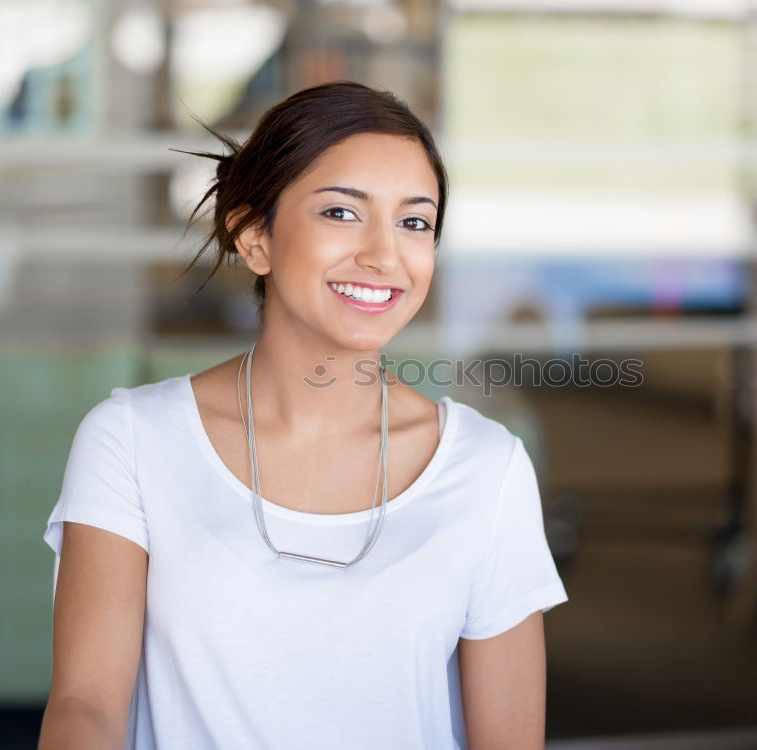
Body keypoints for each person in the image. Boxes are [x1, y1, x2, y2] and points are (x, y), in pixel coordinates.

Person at [37, 81, 569, 750]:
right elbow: (86, 708)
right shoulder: (132, 442)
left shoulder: (487, 470)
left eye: (415, 222)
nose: (384, 254)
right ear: (254, 237)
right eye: (342, 213)